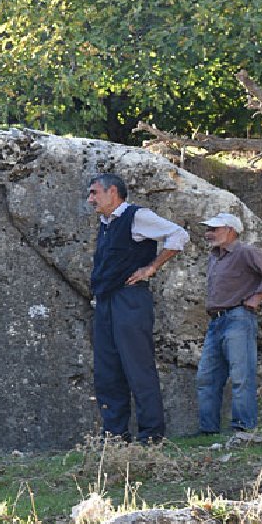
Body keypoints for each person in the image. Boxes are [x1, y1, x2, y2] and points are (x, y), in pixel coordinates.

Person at [87, 173, 189, 443]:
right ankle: (115, 436)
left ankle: (152, 435)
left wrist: (152, 267)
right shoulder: (106, 223)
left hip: (130, 300)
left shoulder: (137, 216)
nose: (90, 199)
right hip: (107, 301)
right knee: (107, 370)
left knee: (138, 367)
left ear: (113, 192)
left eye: (94, 192)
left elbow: (178, 234)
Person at [196, 212, 262, 439]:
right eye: (209, 229)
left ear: (231, 230)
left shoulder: (245, 251)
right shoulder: (215, 256)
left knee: (241, 375)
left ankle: (243, 428)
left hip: (238, 318)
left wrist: (257, 298)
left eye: (214, 229)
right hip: (216, 321)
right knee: (206, 377)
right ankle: (208, 430)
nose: (209, 233)